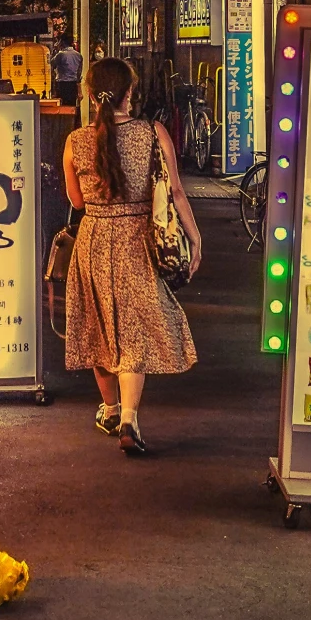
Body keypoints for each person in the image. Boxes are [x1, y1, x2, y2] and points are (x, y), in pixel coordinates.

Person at [61, 56, 200, 455]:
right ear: (130, 93)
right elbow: (175, 191)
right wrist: (195, 239)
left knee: (98, 324)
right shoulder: (153, 132)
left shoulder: (75, 142)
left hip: (93, 240)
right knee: (135, 327)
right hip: (138, 239)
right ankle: (129, 419)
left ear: (89, 94)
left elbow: (75, 200)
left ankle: (109, 407)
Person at [50, 34, 84, 111]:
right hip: (73, 84)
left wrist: (55, 50)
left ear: (62, 42)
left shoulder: (60, 54)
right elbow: (79, 73)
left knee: (61, 108)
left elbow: (52, 64)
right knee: (72, 107)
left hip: (62, 84)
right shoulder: (78, 55)